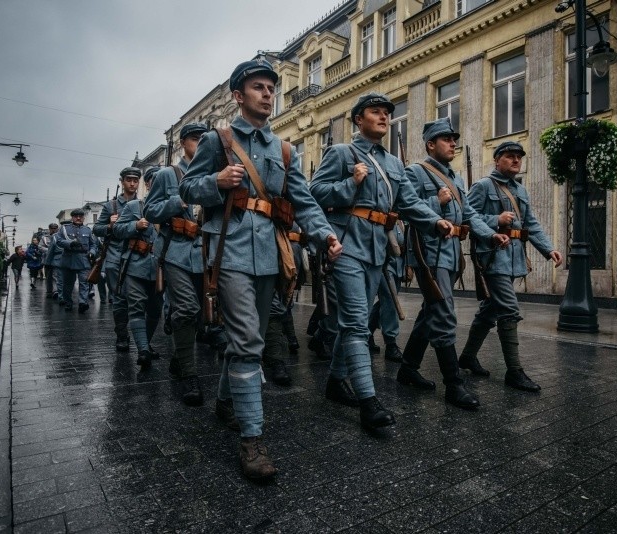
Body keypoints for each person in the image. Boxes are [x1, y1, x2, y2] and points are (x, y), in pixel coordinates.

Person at [180, 58, 342, 479]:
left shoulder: (284, 148)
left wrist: (324, 234)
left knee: (247, 336)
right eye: (258, 87)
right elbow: (187, 187)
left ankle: (224, 401)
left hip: (270, 253)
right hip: (229, 250)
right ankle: (252, 439)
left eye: (271, 87)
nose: (268, 93)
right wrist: (216, 183)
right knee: (250, 340)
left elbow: (303, 199)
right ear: (238, 96)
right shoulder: (220, 140)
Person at [309, 92, 455, 431]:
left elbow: (408, 202)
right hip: (345, 245)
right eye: (375, 111)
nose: (384, 117)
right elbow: (313, 193)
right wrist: (350, 182)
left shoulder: (393, 164)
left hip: (376, 249)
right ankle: (368, 403)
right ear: (358, 119)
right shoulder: (342, 152)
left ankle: (335, 380)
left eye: (387, 113)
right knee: (358, 323)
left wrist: (433, 220)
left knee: (352, 323)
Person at [399, 118, 507, 409]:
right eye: (446, 139)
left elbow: (469, 214)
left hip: (450, 253)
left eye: (453, 138)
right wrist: (436, 200)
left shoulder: (456, 178)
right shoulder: (414, 172)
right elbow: (407, 208)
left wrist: (490, 235)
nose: (453, 143)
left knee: (431, 310)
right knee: (444, 313)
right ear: (430, 144)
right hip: (427, 252)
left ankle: (407, 368)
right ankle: (453, 384)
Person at [459, 141, 563, 392]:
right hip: (493, 257)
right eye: (509, 156)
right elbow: (465, 215)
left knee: (490, 310)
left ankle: (467, 357)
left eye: (519, 157)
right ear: (497, 160)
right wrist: (495, 219)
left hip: (514, 258)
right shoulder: (483, 186)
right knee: (508, 309)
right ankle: (514, 372)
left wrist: (548, 249)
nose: (516, 160)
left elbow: (531, 224)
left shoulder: (521, 191)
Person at [144, 122, 225, 407]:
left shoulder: (213, 175)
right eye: (194, 138)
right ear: (182, 144)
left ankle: (179, 360)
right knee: (186, 308)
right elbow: (149, 210)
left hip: (205, 252)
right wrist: (176, 202)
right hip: (175, 250)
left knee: (203, 314)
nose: (200, 142)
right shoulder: (169, 174)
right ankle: (189, 376)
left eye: (205, 139)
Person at [113, 168, 162, 369]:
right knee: (136, 307)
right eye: (155, 181)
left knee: (155, 310)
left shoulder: (172, 207)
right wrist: (135, 225)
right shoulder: (135, 206)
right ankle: (142, 350)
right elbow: (117, 230)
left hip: (160, 267)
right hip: (135, 264)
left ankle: (146, 344)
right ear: (148, 184)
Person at [94, 167, 141, 351]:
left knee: (137, 299)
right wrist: (109, 225)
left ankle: (141, 340)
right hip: (115, 256)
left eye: (135, 180)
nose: (132, 183)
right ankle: (122, 335)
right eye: (128, 179)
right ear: (122, 181)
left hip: (137, 255)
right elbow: (96, 230)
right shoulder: (110, 206)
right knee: (120, 298)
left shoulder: (142, 204)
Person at [367, 222, 406, 362]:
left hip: (399, 263)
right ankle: (391, 343)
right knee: (390, 299)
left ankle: (368, 332)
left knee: (385, 301)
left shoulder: (401, 219)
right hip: (384, 262)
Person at [57, 208, 97, 313]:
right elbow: (59, 241)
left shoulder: (87, 230)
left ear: (83, 217)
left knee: (84, 283)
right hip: (69, 259)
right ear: (72, 217)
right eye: (76, 216)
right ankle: (68, 302)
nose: (78, 218)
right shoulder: (64, 229)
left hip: (84, 260)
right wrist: (69, 243)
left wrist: (92, 252)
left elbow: (93, 244)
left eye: (80, 216)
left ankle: (82, 303)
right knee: (68, 284)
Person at [41, 223, 61, 298]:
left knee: (55, 275)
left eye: (55, 228)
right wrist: (49, 250)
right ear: (49, 229)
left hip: (57, 259)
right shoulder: (44, 238)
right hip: (47, 259)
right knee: (48, 276)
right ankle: (49, 291)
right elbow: (40, 247)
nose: (54, 230)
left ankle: (55, 290)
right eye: (52, 228)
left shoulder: (60, 236)